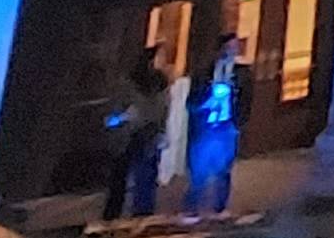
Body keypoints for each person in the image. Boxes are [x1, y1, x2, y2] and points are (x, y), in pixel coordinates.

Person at [101, 52, 173, 224]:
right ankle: (111, 221)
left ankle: (142, 219)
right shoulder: (127, 87)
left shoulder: (161, 87)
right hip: (128, 138)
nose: (163, 64)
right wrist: (123, 117)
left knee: (146, 183)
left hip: (149, 138)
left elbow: (163, 113)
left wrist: (163, 132)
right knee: (119, 182)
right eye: (159, 59)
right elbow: (109, 119)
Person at [183, 34, 248, 218]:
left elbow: (246, 102)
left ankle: (219, 208)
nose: (232, 52)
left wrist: (238, 124)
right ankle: (192, 209)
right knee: (199, 170)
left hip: (227, 127)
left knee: (223, 170)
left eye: (235, 48)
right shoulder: (204, 73)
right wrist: (206, 102)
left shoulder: (242, 74)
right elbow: (191, 102)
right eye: (229, 47)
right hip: (205, 127)